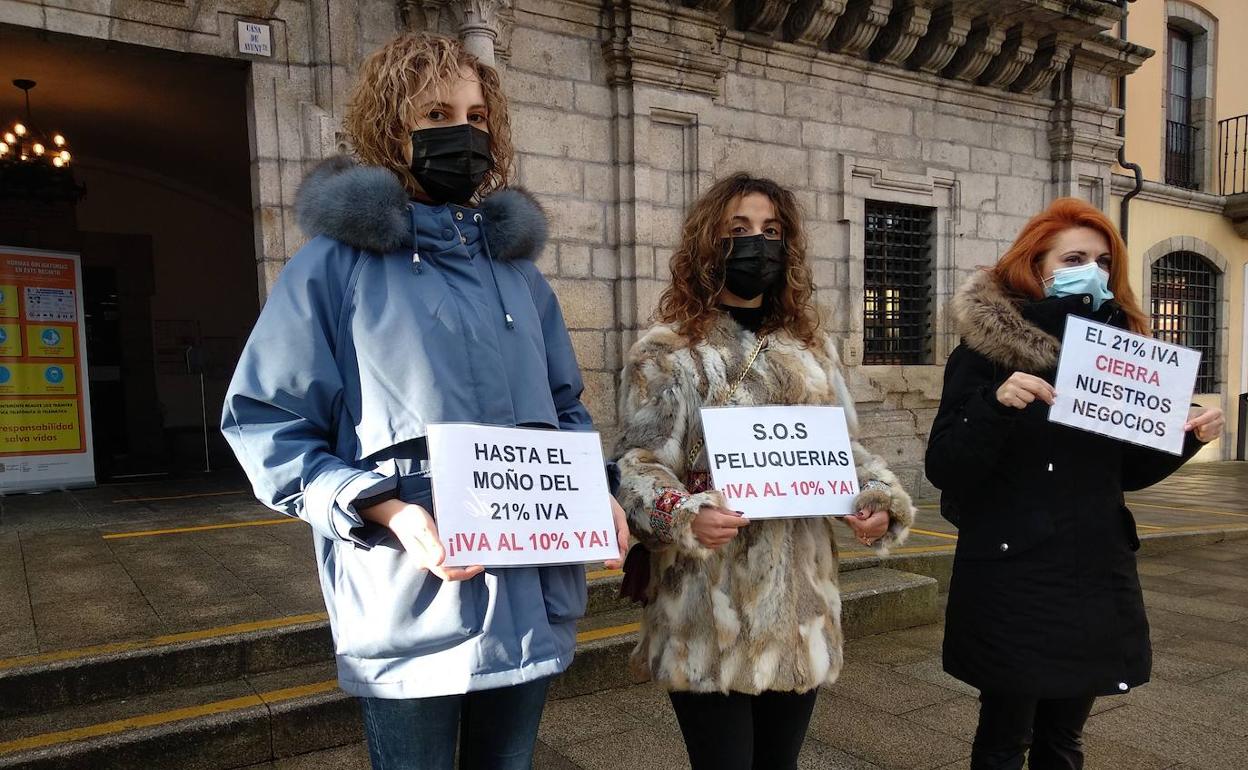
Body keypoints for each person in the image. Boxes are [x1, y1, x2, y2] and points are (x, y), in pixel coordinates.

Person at [221, 32, 626, 770]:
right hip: (407, 601)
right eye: (437, 112)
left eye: (476, 116)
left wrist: (598, 494)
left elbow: (566, 409)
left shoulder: (521, 278)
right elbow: (265, 422)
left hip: (528, 597)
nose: (461, 132)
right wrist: (391, 511)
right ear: (391, 128)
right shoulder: (333, 268)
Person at [612, 173, 916, 770]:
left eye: (772, 231)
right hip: (707, 603)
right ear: (708, 244)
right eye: (740, 229)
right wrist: (682, 515)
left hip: (799, 601)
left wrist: (878, 498)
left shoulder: (810, 349)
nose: (759, 242)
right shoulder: (667, 351)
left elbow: (842, 451)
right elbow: (638, 464)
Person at [925, 197, 1225, 770]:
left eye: (1104, 260)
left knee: (1065, 739)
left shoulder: (1120, 354)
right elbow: (946, 465)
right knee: (1005, 736)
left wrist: (1186, 438)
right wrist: (997, 403)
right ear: (1037, 266)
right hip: (1014, 573)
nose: (1093, 268)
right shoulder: (985, 352)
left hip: (1092, 568)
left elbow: (1126, 473)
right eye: (1075, 256)